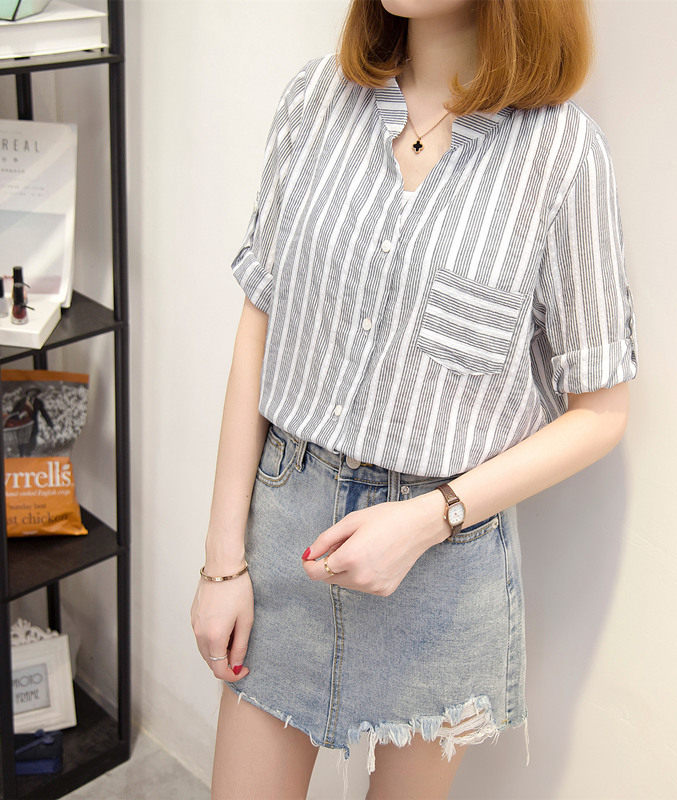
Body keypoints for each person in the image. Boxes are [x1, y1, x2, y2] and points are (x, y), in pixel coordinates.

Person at [191, 0, 638, 797]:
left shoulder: (564, 156)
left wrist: (431, 517)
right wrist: (223, 565)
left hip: (444, 567)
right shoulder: (316, 101)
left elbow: (601, 412)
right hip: (287, 534)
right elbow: (259, 322)